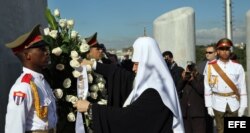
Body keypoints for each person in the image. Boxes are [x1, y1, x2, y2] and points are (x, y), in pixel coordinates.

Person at [74, 36, 184, 132]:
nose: (133, 68)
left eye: (136, 64)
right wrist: (92, 64)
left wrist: (90, 108)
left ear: (147, 64)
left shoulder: (154, 92)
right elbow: (120, 74)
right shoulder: (154, 83)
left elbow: (128, 119)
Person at [5, 24, 57, 133]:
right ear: (27, 55)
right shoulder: (23, 86)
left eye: (46, 48)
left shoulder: (41, 81)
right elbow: (14, 128)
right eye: (41, 49)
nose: (47, 52)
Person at [204, 38, 248, 133]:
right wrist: (209, 106)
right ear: (218, 51)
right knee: (220, 130)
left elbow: (242, 87)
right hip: (217, 102)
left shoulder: (238, 67)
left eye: (227, 49)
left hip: (233, 102)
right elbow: (207, 87)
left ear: (230, 50)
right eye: (222, 49)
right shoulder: (210, 66)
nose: (225, 52)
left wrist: (243, 106)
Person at [177, 62, 206, 133]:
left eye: (191, 71)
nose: (189, 73)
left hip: (197, 113)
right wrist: (183, 79)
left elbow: (201, 90)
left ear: (195, 71)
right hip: (185, 112)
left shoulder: (202, 78)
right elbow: (177, 89)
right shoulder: (184, 79)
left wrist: (192, 80)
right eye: (187, 71)